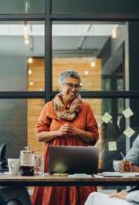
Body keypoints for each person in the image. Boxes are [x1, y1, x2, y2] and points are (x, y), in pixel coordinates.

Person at [32, 70, 99, 205]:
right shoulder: (49, 107)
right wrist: (58, 132)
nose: (74, 89)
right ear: (61, 86)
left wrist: (78, 132)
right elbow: (39, 136)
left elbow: (93, 138)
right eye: (70, 85)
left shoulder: (85, 108)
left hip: (80, 162)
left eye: (77, 86)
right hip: (54, 163)